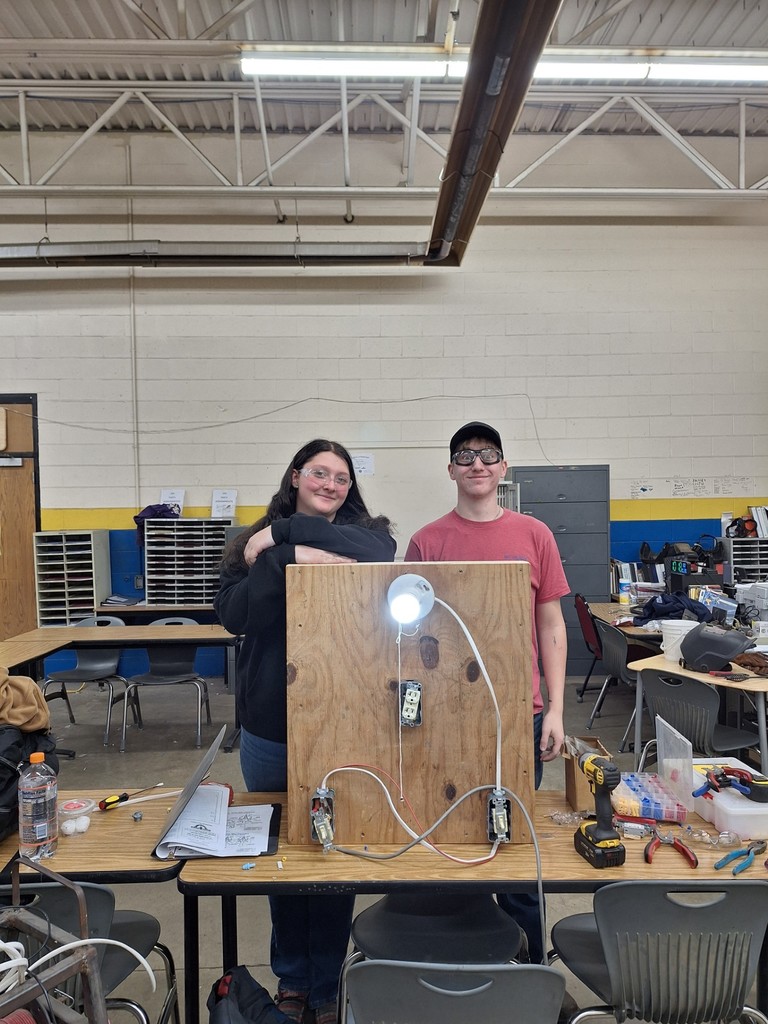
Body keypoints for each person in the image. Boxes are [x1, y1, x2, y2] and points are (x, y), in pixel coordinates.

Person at [215, 439, 396, 1024]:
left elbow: (382, 555)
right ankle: (293, 979)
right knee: (286, 858)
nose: (331, 483)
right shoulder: (251, 541)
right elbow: (236, 615)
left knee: (335, 856)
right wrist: (289, 553)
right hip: (271, 726)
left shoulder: (371, 532)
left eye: (341, 477)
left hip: (346, 719)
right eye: (320, 472)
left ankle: (327, 984)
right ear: (296, 476)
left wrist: (288, 540)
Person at [405, 421, 569, 963]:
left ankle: (530, 966)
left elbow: (550, 627)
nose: (477, 464)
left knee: (517, 846)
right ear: (451, 468)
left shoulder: (535, 533)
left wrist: (556, 713)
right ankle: (469, 958)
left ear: (503, 468)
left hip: (520, 712)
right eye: (465, 456)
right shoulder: (427, 541)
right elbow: (411, 637)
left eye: (488, 455)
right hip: (449, 716)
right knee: (457, 838)